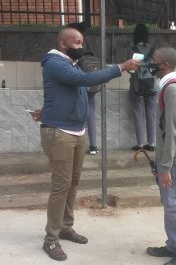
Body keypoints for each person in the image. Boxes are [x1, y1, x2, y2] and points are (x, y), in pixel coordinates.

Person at [39, 27, 139, 261]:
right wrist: (120, 68)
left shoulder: (71, 63)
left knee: (73, 182)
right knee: (61, 185)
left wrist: (46, 109)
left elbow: (68, 93)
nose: (81, 46)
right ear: (64, 44)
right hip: (60, 133)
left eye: (82, 41)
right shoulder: (54, 62)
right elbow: (84, 80)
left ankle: (66, 227)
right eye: (77, 42)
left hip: (76, 131)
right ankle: (51, 239)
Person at [146, 47, 176, 265]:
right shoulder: (167, 86)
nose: (151, 64)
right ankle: (174, 246)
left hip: (174, 160)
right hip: (169, 159)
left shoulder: (173, 90)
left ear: (165, 64)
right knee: (171, 204)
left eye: (154, 61)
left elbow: (173, 131)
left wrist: (165, 167)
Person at [67, 22, 99, 155]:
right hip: (92, 85)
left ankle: (77, 145)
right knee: (91, 114)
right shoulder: (88, 44)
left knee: (78, 114)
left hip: (80, 85)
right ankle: (93, 146)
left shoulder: (74, 44)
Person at [129, 24, 156, 151]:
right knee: (151, 113)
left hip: (136, 85)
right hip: (151, 86)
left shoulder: (134, 50)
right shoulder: (153, 51)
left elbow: (131, 69)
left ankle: (140, 144)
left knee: (138, 113)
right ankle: (151, 144)